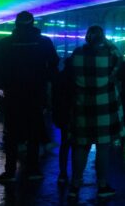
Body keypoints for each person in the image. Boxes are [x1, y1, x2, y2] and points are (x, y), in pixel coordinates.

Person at [0, 11, 59, 184]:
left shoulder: (5, 43)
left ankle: (10, 171)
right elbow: (53, 64)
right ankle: (33, 169)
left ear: (16, 24)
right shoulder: (43, 42)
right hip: (35, 93)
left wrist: (0, 92)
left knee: (12, 133)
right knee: (34, 132)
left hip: (12, 95)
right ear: (33, 23)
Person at [69, 25, 122, 200]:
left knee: (81, 147)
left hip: (82, 107)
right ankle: (102, 184)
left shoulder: (77, 54)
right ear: (102, 38)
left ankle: (75, 185)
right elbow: (118, 58)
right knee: (103, 148)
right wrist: (107, 43)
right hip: (104, 107)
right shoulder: (109, 56)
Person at [52, 56, 75, 185]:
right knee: (77, 145)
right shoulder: (77, 79)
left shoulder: (60, 77)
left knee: (64, 143)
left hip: (62, 115)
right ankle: (76, 174)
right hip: (75, 115)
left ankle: (63, 172)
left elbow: (55, 99)